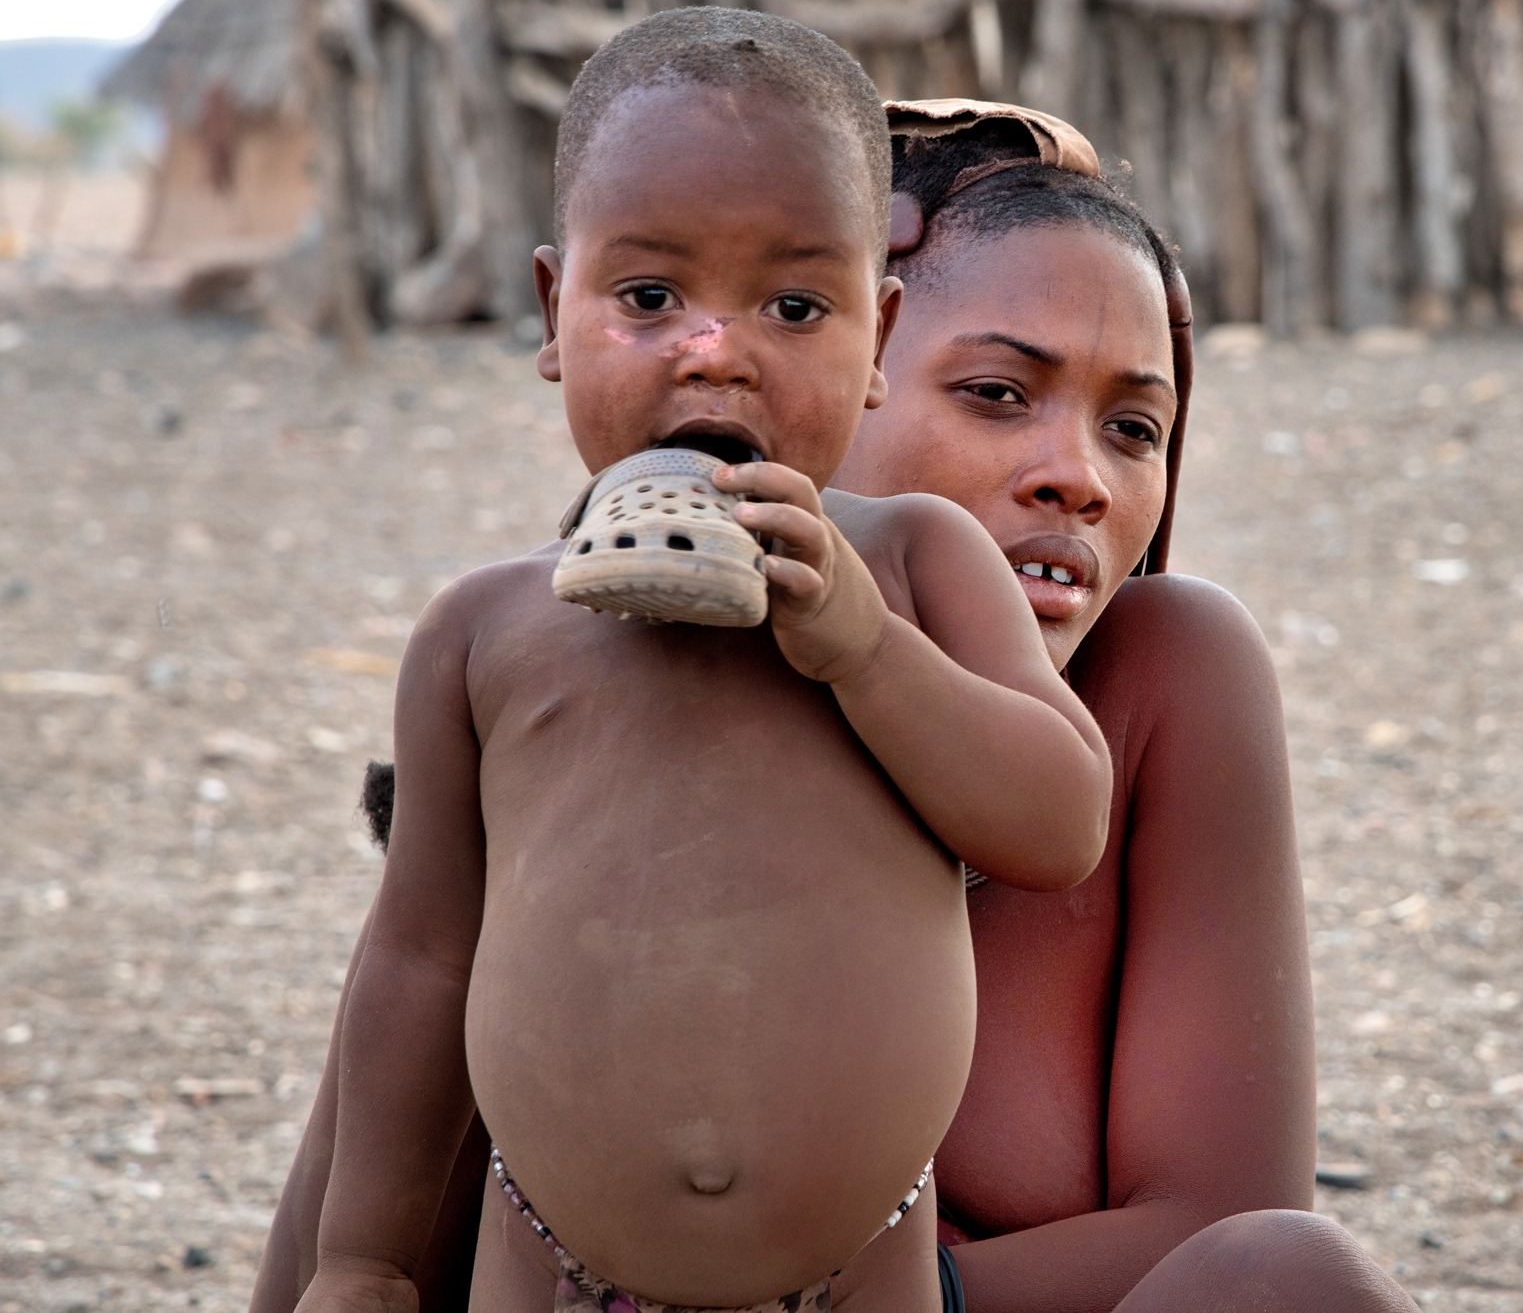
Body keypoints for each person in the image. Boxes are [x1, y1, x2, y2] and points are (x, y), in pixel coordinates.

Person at [254, 98, 1416, 1313]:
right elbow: (349, 1242)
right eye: (995, 394)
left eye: (1136, 429)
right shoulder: (561, 676)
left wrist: (850, 1285)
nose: (1077, 476)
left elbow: (1226, 1235)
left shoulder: (1158, 683)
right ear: (846, 384)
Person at [291, 14, 1112, 1313]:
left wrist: (864, 649)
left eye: (794, 305)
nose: (714, 348)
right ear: (553, 309)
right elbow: (420, 956)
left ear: (878, 335)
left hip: (856, 1278)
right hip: (552, 1271)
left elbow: (1059, 821)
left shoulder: (913, 564)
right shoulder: (487, 629)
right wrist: (363, 1257)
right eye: (649, 297)